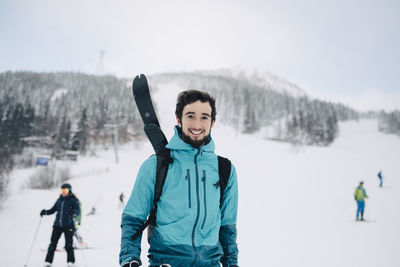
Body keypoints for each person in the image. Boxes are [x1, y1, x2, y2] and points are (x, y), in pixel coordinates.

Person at [119, 90, 239, 267]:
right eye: (190, 116)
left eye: (204, 117)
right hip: (165, 262)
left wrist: (231, 263)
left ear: (212, 122)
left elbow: (227, 228)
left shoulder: (225, 169)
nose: (197, 124)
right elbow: (133, 219)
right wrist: (129, 258)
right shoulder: (157, 166)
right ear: (178, 119)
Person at [40, 183, 80, 267]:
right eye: (62, 190)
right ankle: (48, 262)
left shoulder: (73, 200)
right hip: (57, 225)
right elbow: (53, 210)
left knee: (68, 245)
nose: (63, 192)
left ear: (69, 190)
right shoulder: (59, 200)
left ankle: (71, 262)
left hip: (68, 225)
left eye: (65, 190)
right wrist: (45, 212)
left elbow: (77, 211)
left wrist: (73, 214)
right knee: (52, 244)